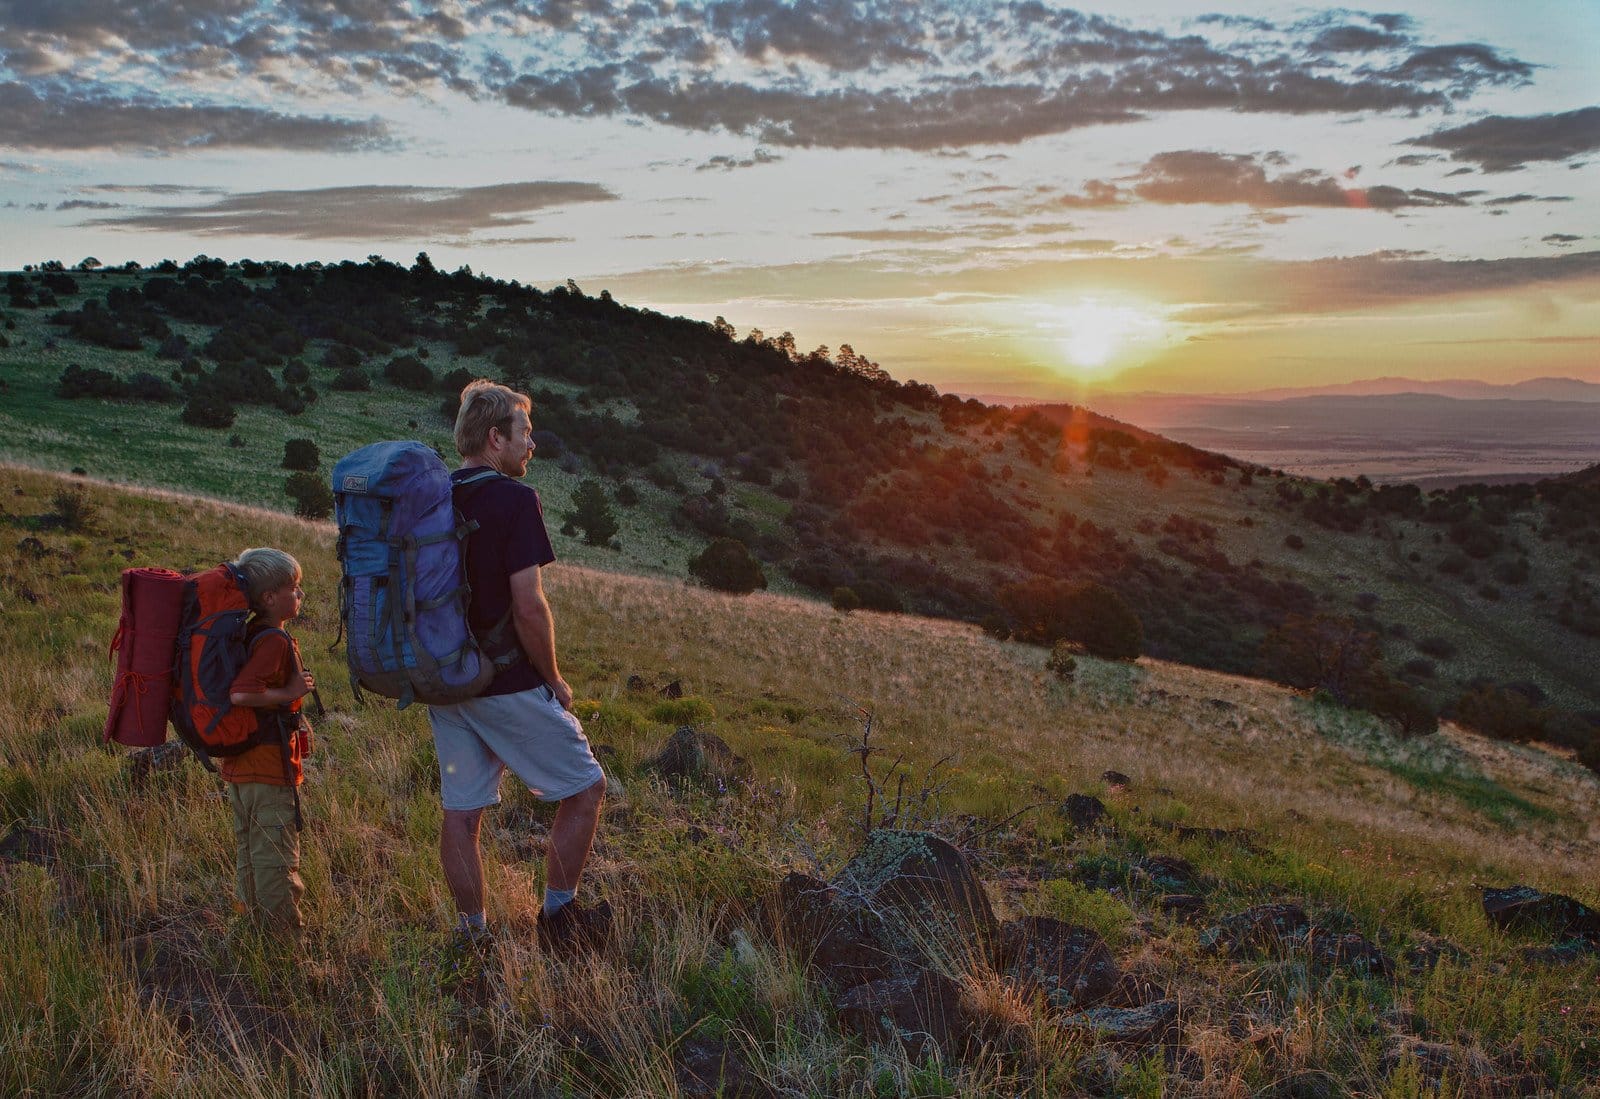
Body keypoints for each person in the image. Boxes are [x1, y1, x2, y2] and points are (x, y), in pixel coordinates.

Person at [431, 379, 608, 952]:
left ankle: (471, 936)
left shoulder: (435, 495)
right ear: (494, 438)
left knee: (461, 813)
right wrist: (553, 679)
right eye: (524, 433)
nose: (531, 445)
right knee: (585, 787)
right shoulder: (513, 500)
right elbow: (529, 604)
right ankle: (559, 921)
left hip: (445, 678)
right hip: (503, 679)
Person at [224, 547, 316, 933]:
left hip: (241, 767)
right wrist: (291, 690)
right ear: (268, 598)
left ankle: (254, 930)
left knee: (251, 853)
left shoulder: (250, 633)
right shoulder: (274, 641)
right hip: (267, 769)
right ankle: (283, 947)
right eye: (293, 588)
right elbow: (241, 694)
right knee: (276, 859)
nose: (300, 595)